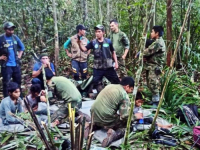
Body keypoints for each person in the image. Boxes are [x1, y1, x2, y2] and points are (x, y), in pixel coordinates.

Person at [89, 77, 134, 147]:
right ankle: (112, 136)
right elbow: (124, 116)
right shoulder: (124, 95)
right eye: (131, 89)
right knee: (128, 127)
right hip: (105, 118)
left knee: (107, 114)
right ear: (127, 86)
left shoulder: (110, 86)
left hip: (93, 114)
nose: (130, 92)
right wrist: (135, 117)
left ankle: (92, 126)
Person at [80, 24, 120, 93]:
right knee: (96, 82)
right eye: (96, 32)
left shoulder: (108, 41)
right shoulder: (93, 42)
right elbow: (84, 49)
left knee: (116, 81)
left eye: (99, 31)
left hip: (108, 67)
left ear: (103, 32)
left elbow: (113, 52)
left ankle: (117, 94)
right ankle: (100, 94)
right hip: (97, 68)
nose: (97, 33)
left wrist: (116, 63)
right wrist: (79, 42)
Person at [143, 26, 166, 106]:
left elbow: (148, 51)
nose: (151, 33)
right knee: (150, 83)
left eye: (152, 32)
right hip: (151, 65)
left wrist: (141, 53)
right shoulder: (155, 41)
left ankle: (156, 102)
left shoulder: (158, 42)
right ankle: (154, 100)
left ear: (157, 33)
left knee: (153, 83)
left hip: (155, 66)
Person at [0, 22, 25, 97]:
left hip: (15, 64)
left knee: (18, 82)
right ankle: (7, 99)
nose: (11, 31)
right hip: (6, 65)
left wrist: (19, 56)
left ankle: (19, 98)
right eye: (9, 30)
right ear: (5, 29)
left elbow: (22, 47)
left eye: (12, 30)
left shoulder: (15, 37)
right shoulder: (1, 38)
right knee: (6, 82)